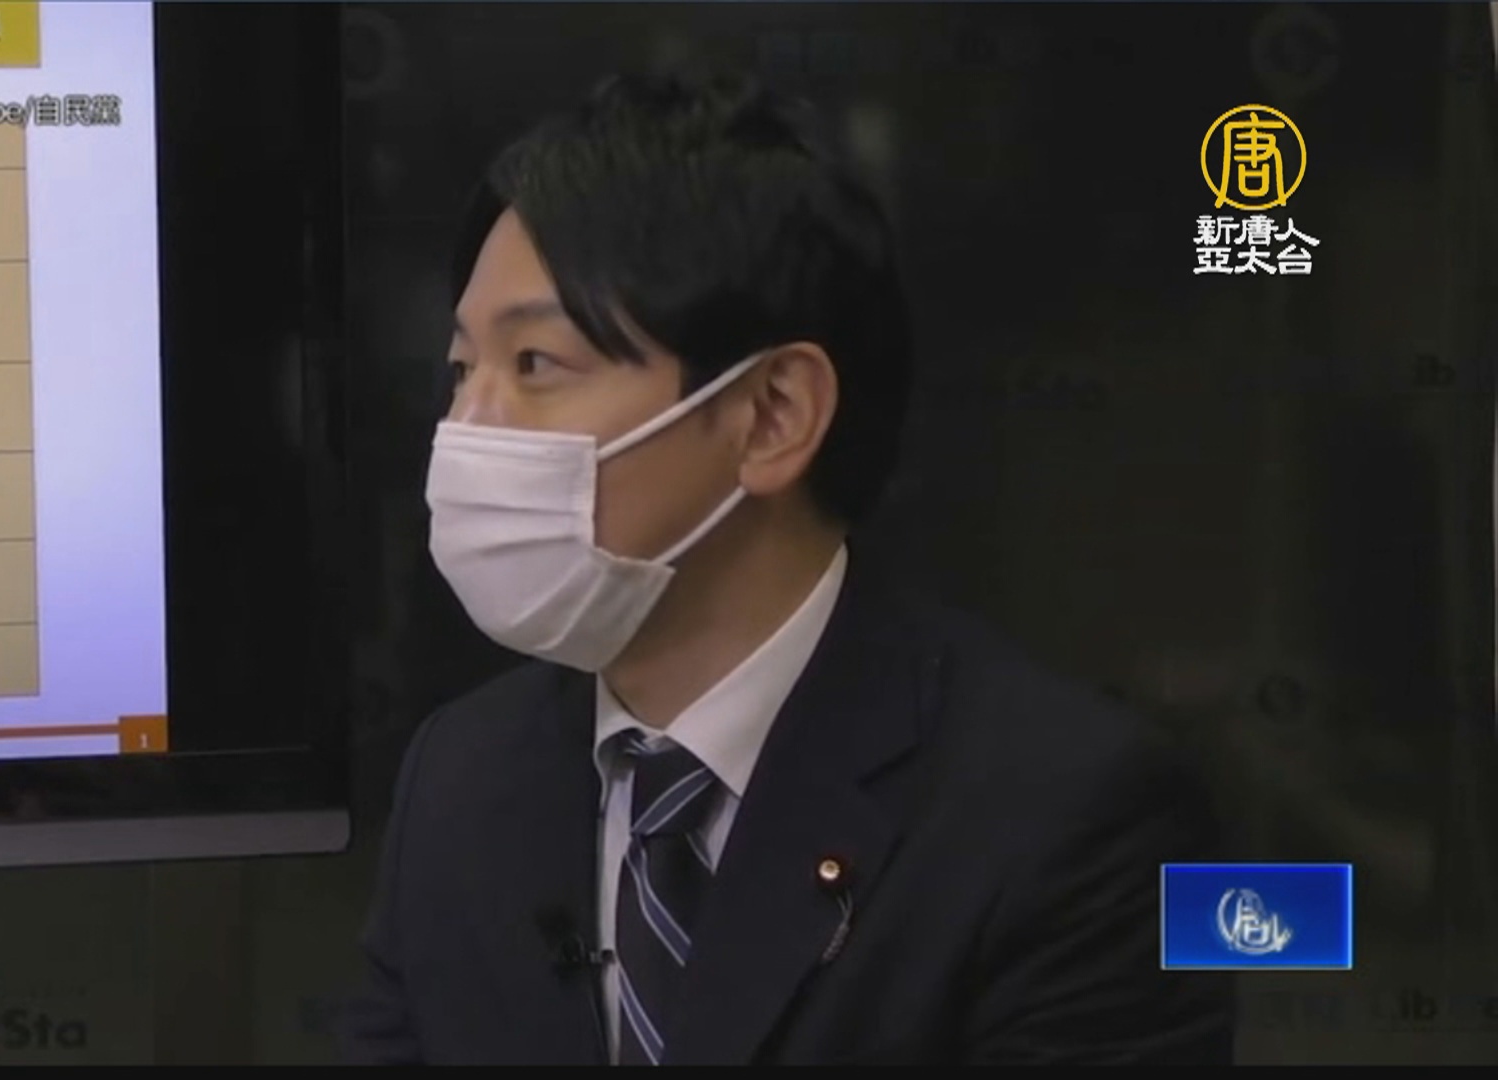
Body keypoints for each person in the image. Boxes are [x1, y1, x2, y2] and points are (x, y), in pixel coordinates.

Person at [338, 68, 1233, 1066]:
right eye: (462, 370)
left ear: (772, 415)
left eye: (536, 364)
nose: (469, 428)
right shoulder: (459, 777)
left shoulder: (1064, 816)